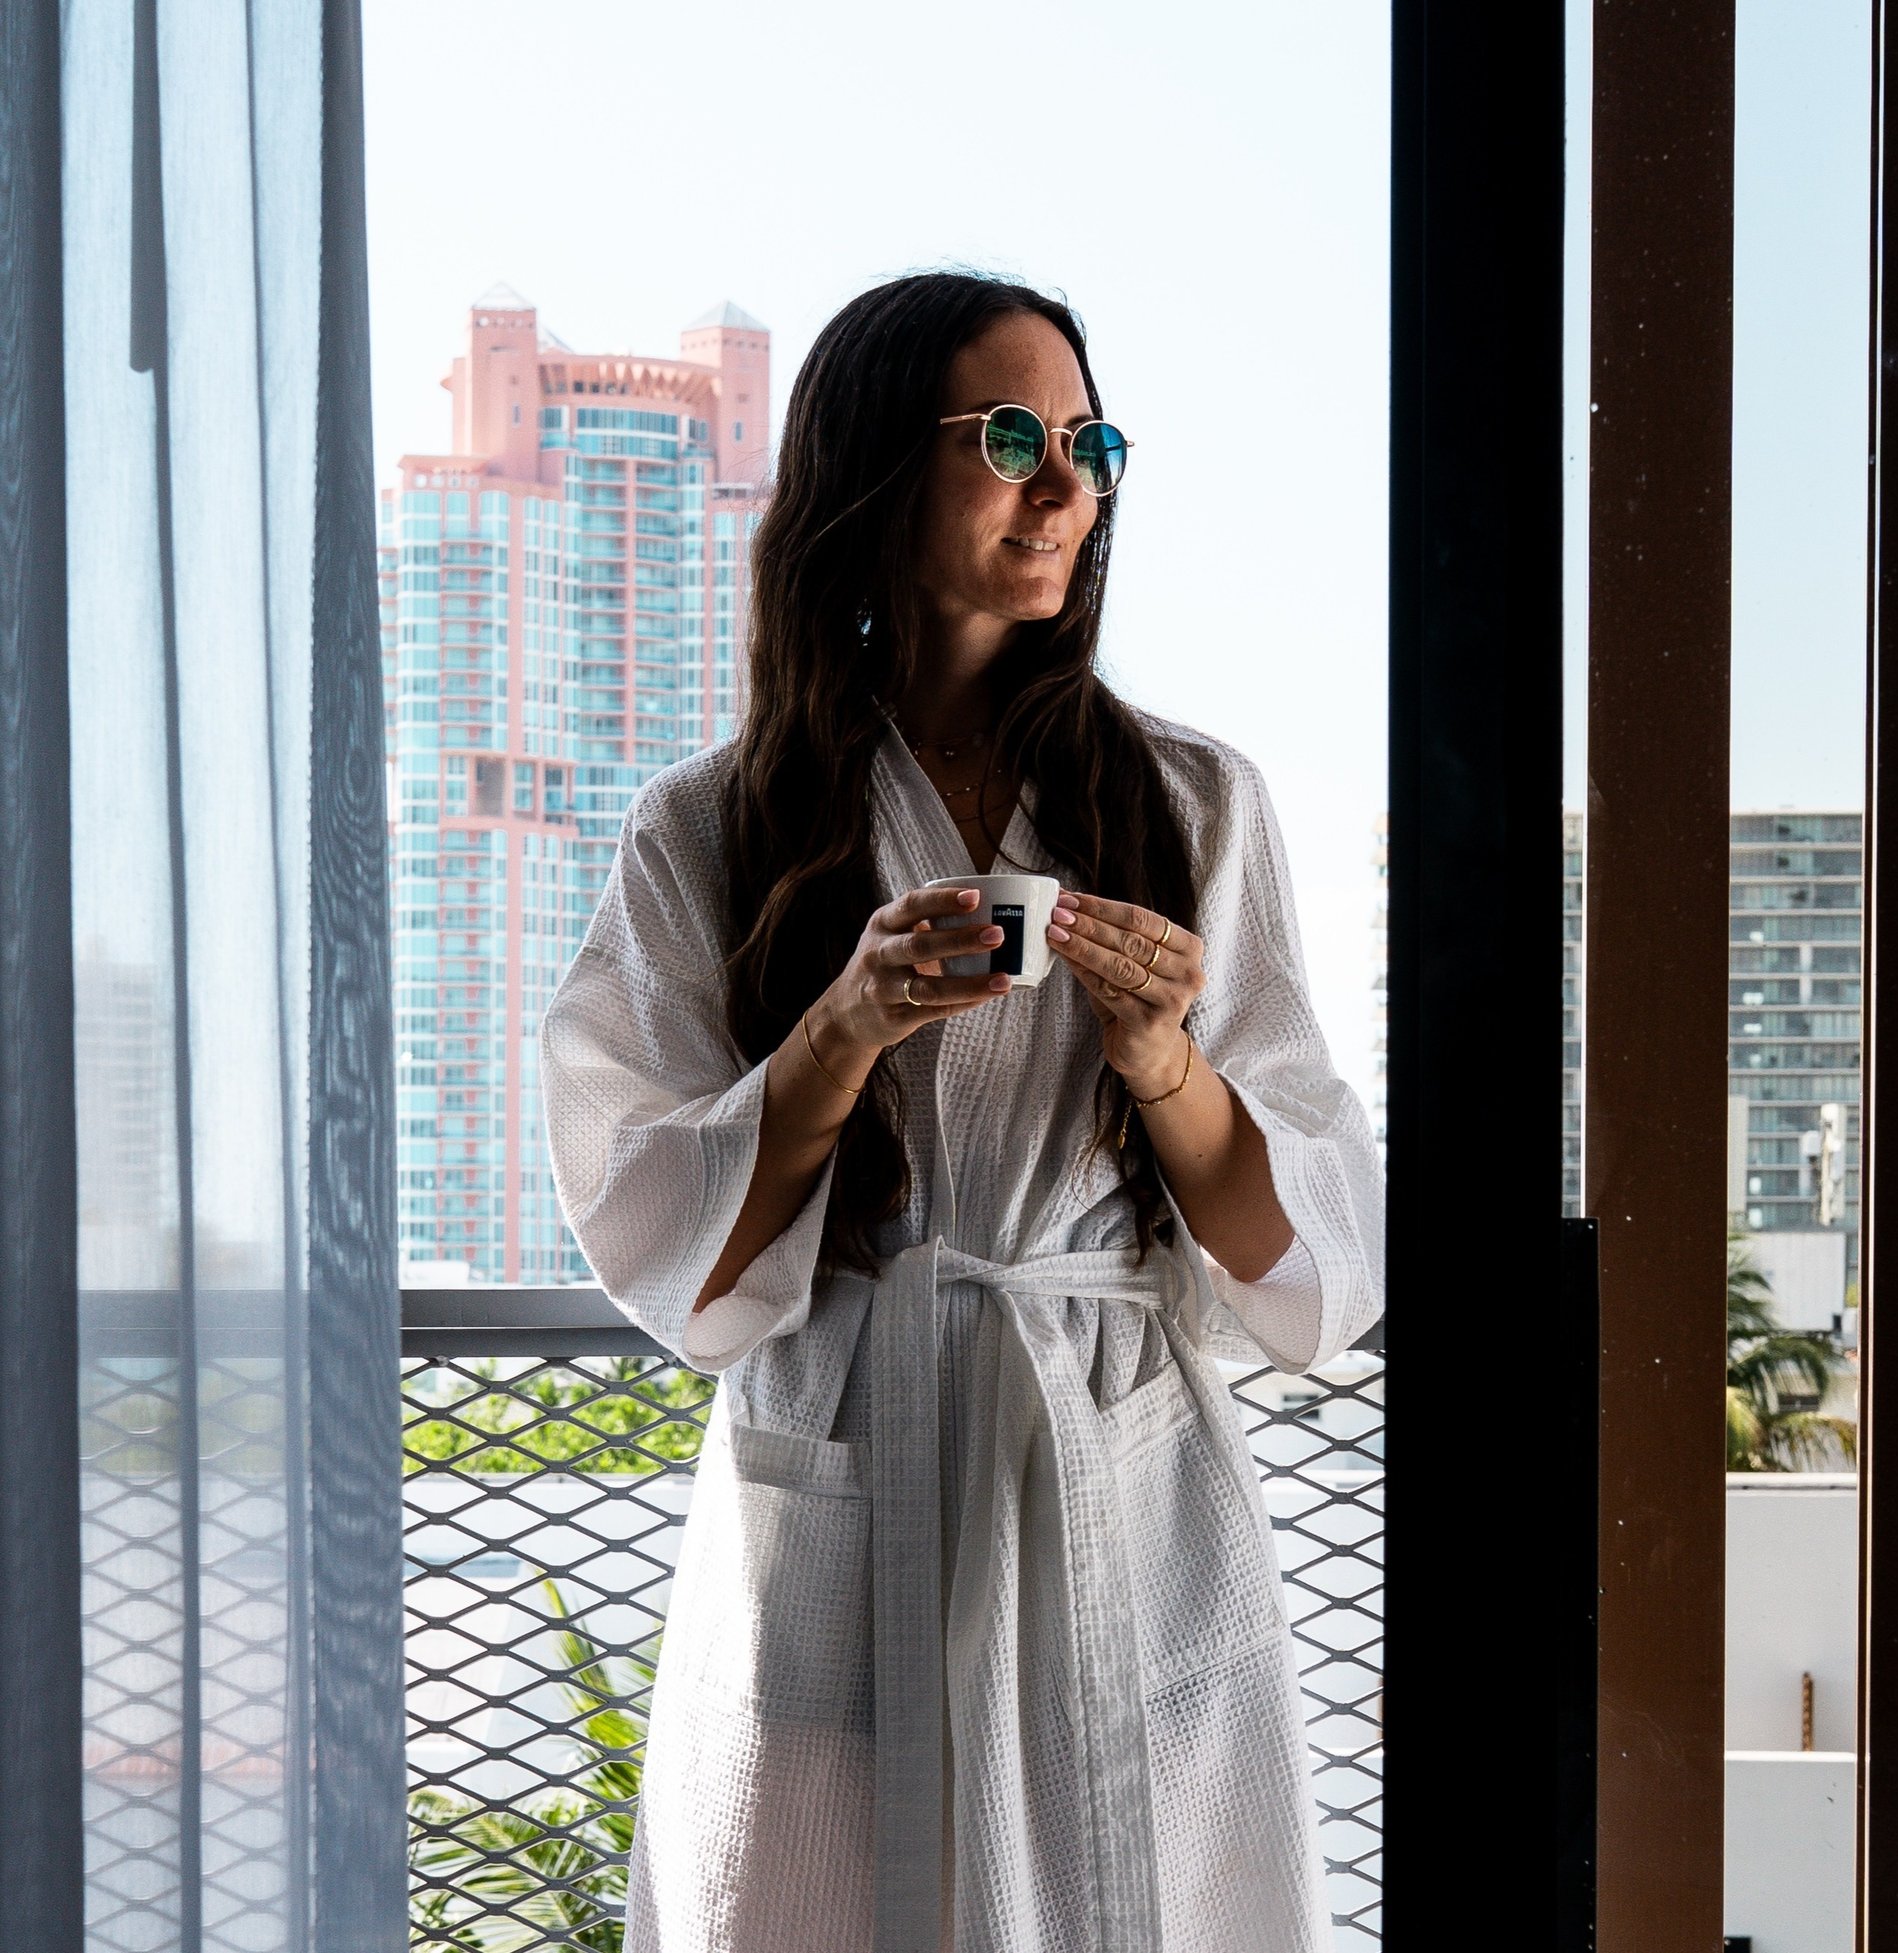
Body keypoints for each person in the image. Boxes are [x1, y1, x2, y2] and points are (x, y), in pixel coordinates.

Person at [540, 269, 1384, 1953]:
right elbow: (655, 1228)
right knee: (814, 1898)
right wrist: (843, 1023)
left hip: (1119, 1473)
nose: (1067, 482)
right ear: (874, 463)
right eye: (1012, 437)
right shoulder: (712, 823)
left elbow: (1308, 1243)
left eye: (1091, 441)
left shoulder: (1195, 800)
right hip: (844, 1458)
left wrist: (1163, 1060)